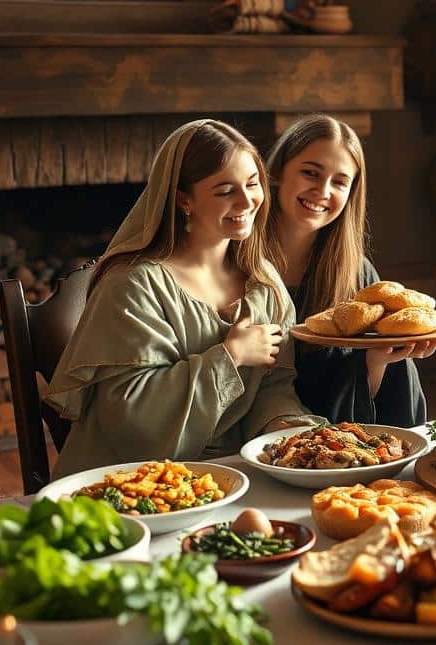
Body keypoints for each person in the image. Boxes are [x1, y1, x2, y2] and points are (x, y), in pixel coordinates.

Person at [47, 120, 322, 478]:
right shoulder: (133, 285)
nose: (246, 201)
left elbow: (272, 387)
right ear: (183, 199)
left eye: (253, 183)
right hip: (127, 484)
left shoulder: (264, 283)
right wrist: (230, 357)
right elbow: (130, 421)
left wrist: (286, 431)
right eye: (225, 190)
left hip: (230, 476)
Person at [265, 114, 436, 426]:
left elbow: (371, 399)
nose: (323, 191)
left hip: (337, 436)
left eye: (340, 182)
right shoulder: (234, 261)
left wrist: (378, 360)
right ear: (278, 172)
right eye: (310, 173)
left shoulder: (358, 275)